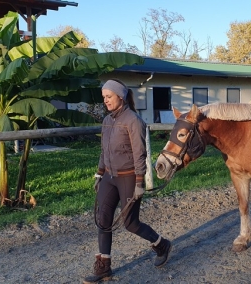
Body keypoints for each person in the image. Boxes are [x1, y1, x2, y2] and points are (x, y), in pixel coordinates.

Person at [84, 79, 172, 283]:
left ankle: (161, 244)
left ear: (120, 96)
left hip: (129, 177)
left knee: (130, 224)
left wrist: (140, 183)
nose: (106, 101)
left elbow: (140, 154)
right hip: (109, 176)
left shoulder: (133, 121)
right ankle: (104, 267)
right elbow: (103, 150)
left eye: (109, 97)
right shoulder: (107, 121)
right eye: (104, 97)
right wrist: (99, 174)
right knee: (103, 220)